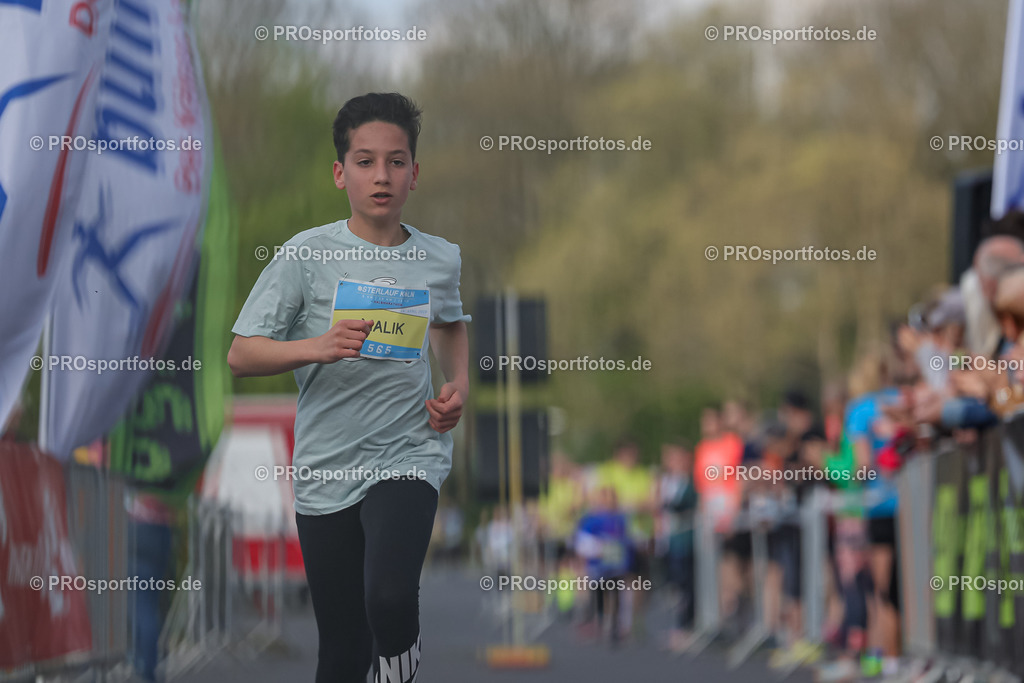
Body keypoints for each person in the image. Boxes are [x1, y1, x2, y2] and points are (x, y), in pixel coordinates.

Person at [227, 92, 470, 683]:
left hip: (408, 452)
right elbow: (241, 354)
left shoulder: (439, 259)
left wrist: (456, 386)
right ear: (341, 174)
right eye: (364, 162)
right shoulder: (304, 256)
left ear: (415, 173)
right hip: (327, 466)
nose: (381, 176)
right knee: (340, 649)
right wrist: (319, 346)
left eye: (395, 161)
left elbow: (449, 326)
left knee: (389, 597)